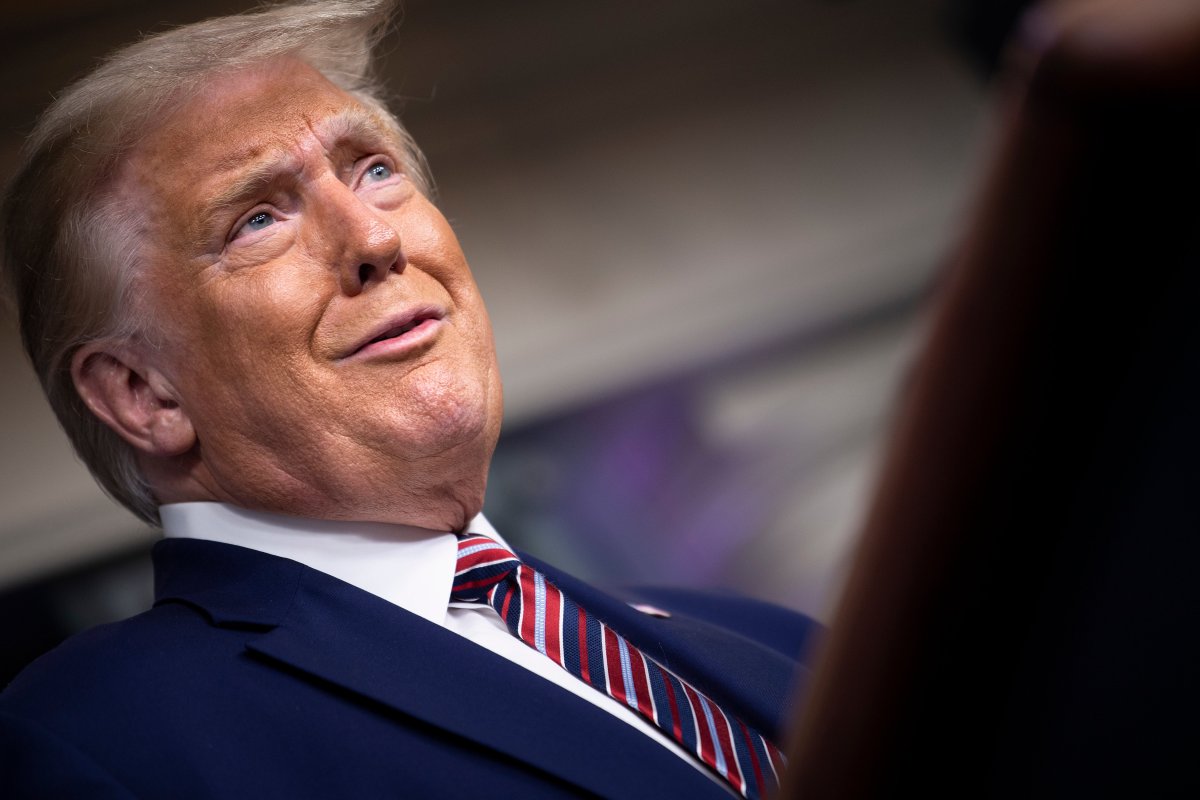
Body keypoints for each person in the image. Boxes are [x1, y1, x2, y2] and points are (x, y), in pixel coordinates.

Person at [0, 1, 816, 796]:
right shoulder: (95, 742)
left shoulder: (779, 642)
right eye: (256, 220)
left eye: (375, 171)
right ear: (144, 395)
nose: (375, 240)